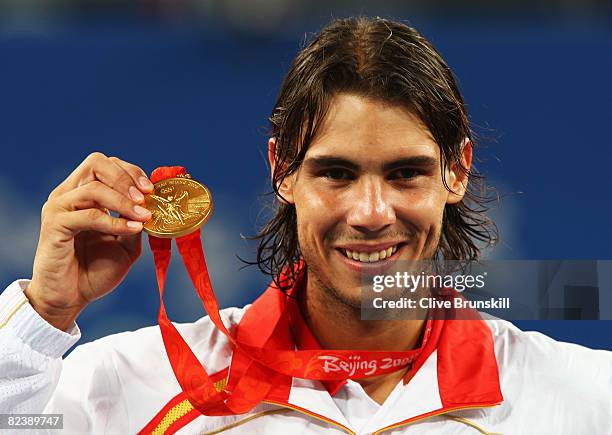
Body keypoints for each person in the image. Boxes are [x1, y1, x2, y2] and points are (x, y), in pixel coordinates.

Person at [0, 17, 610, 435]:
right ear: (282, 172)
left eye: (405, 174)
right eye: (336, 174)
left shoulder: (579, 400)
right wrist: (44, 316)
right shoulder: (132, 387)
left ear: (457, 172)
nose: (371, 213)